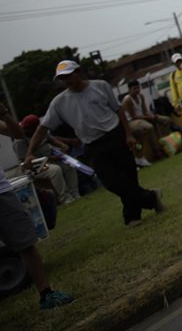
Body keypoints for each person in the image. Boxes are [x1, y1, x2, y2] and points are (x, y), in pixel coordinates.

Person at [23, 61, 164, 227]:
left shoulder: (100, 86)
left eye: (68, 75)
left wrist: (128, 135)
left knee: (128, 177)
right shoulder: (59, 103)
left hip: (115, 135)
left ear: (79, 72)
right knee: (111, 181)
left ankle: (132, 216)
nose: (66, 80)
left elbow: (118, 110)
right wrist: (29, 153)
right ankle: (151, 197)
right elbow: (43, 128)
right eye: (62, 78)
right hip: (93, 145)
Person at [0, 103, 75, 311]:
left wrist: (5, 114)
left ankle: (46, 294)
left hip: (2, 192)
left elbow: (17, 134)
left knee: (25, 242)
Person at [10, 114, 80, 205]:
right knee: (55, 170)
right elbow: (26, 163)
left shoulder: (41, 132)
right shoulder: (20, 141)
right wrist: (50, 158)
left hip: (49, 159)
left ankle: (74, 192)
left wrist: (63, 147)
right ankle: (65, 198)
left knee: (69, 163)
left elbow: (54, 140)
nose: (25, 130)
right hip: (34, 167)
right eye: (25, 128)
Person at [121, 80, 168, 166]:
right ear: (129, 90)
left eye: (138, 88)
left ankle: (166, 143)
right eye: (134, 88)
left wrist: (152, 116)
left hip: (142, 119)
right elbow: (133, 116)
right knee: (148, 127)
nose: (137, 90)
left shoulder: (141, 96)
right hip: (131, 122)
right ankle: (155, 151)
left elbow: (145, 110)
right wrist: (148, 117)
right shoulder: (127, 100)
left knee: (165, 120)